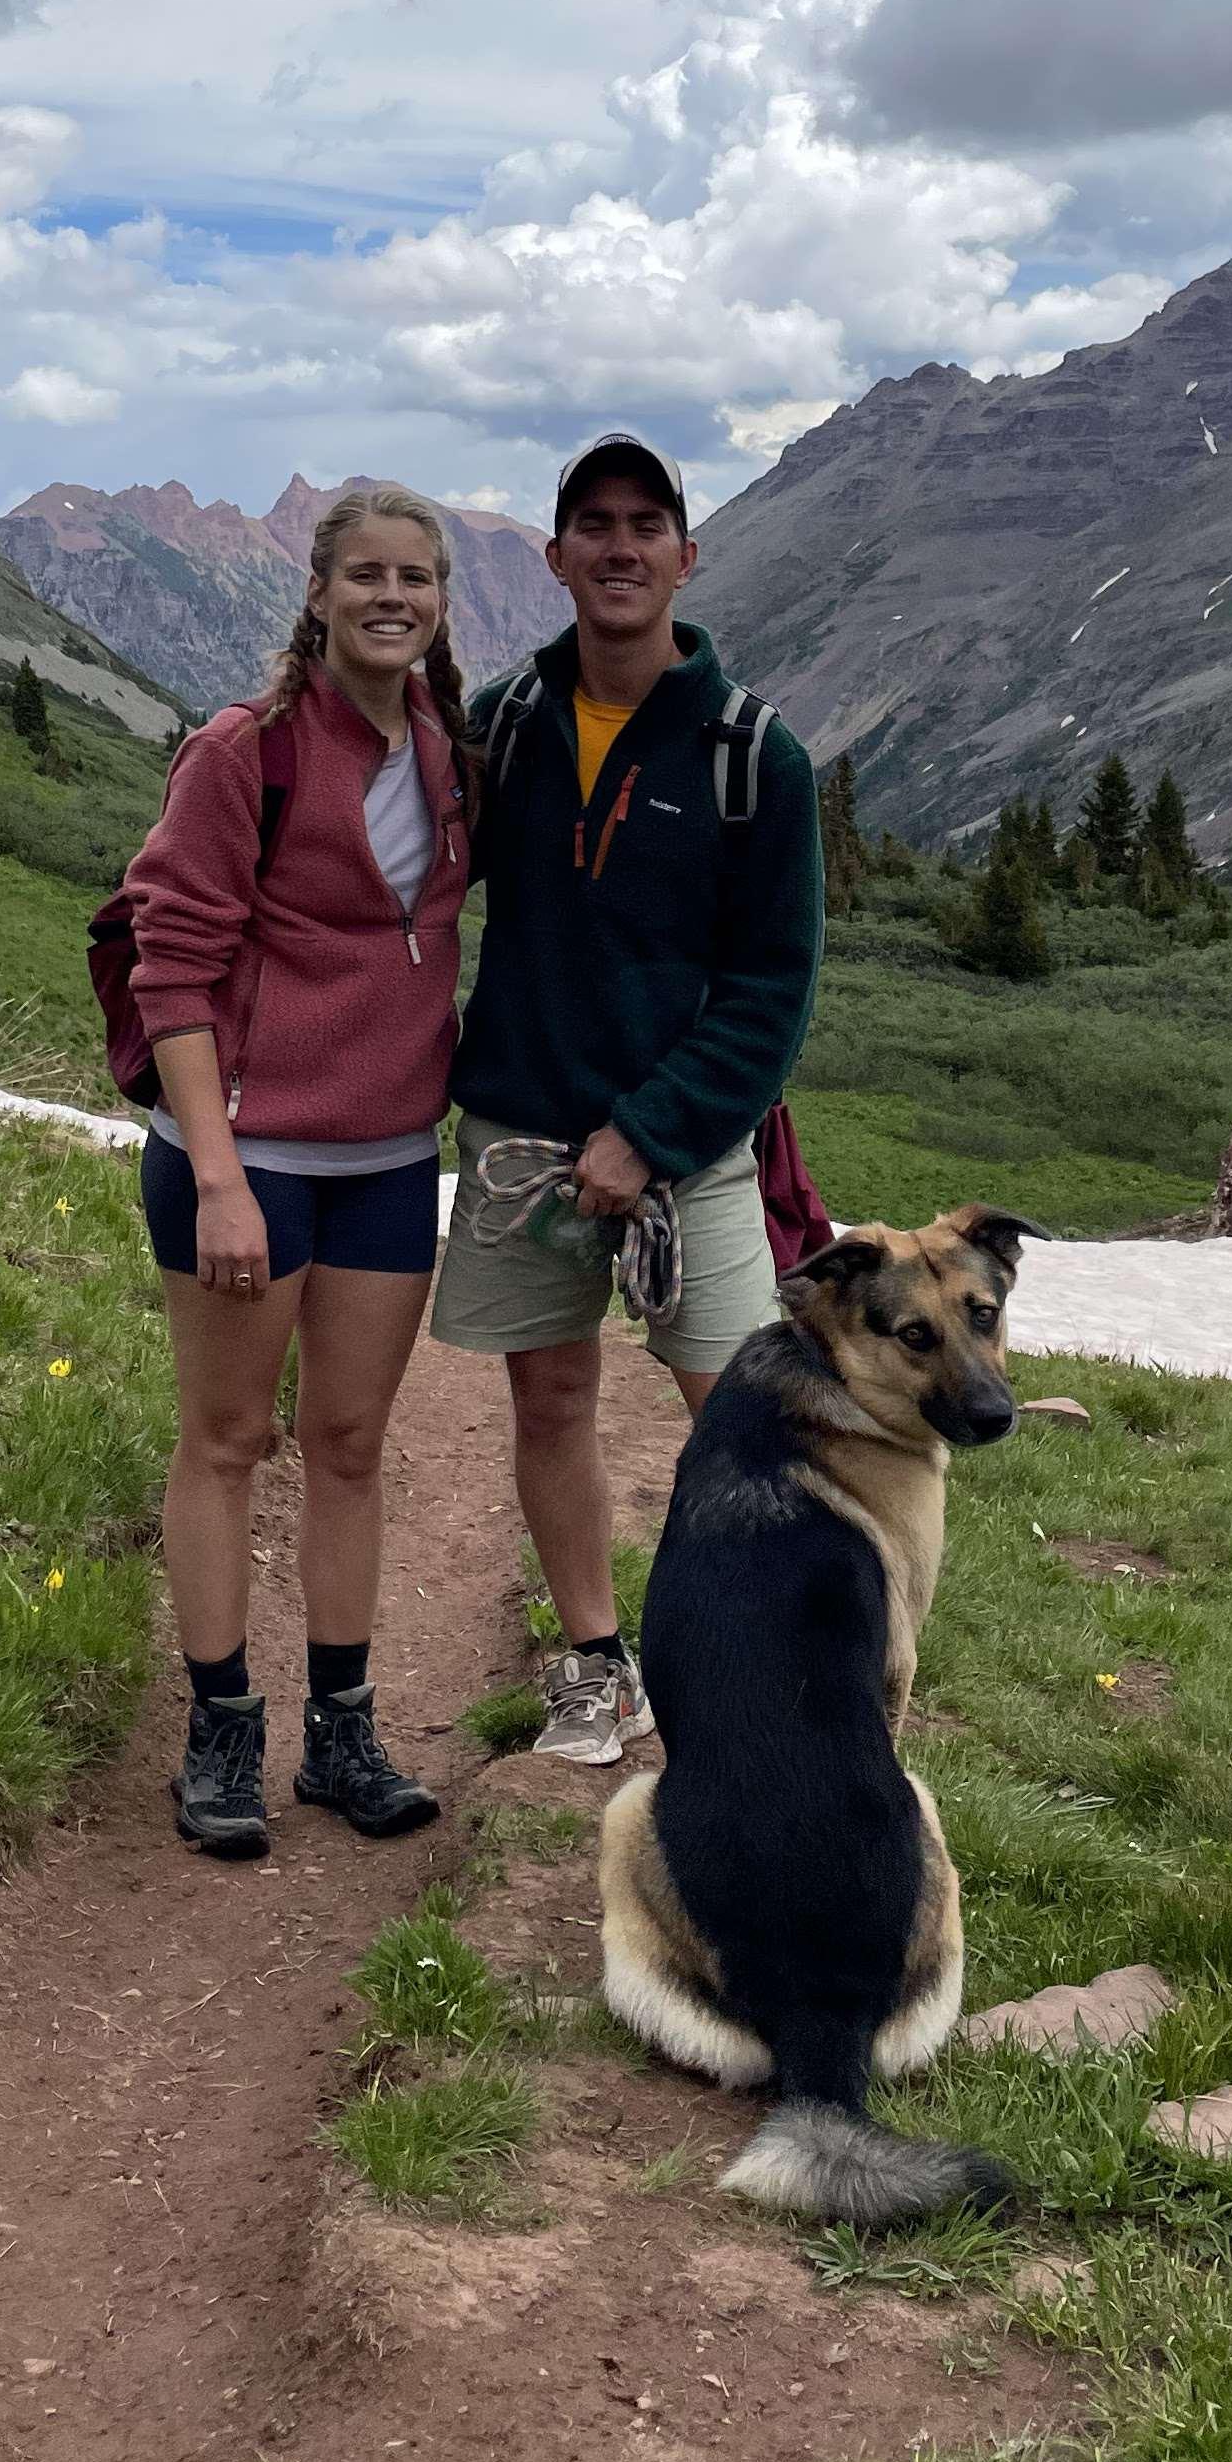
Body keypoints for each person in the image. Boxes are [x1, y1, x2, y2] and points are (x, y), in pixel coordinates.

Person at [429, 430, 825, 1764]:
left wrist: (647, 1133)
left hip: (694, 1155)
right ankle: (597, 1665)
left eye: (645, 524)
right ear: (556, 560)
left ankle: (758, 1667)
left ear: (685, 558)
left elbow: (774, 989)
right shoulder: (506, 725)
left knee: (739, 1418)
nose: (618, 546)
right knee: (549, 1402)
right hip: (524, 1139)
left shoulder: (753, 757)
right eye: (592, 525)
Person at [114, 483, 472, 1858]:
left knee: (349, 1445)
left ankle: (340, 1731)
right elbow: (173, 965)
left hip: (391, 1156)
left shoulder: (450, 750)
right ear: (318, 593)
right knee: (226, 1441)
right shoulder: (240, 752)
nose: (393, 597)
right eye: (367, 574)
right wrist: (215, 1174)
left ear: (441, 605)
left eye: (418, 579)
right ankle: (219, 1730)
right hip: (246, 1155)